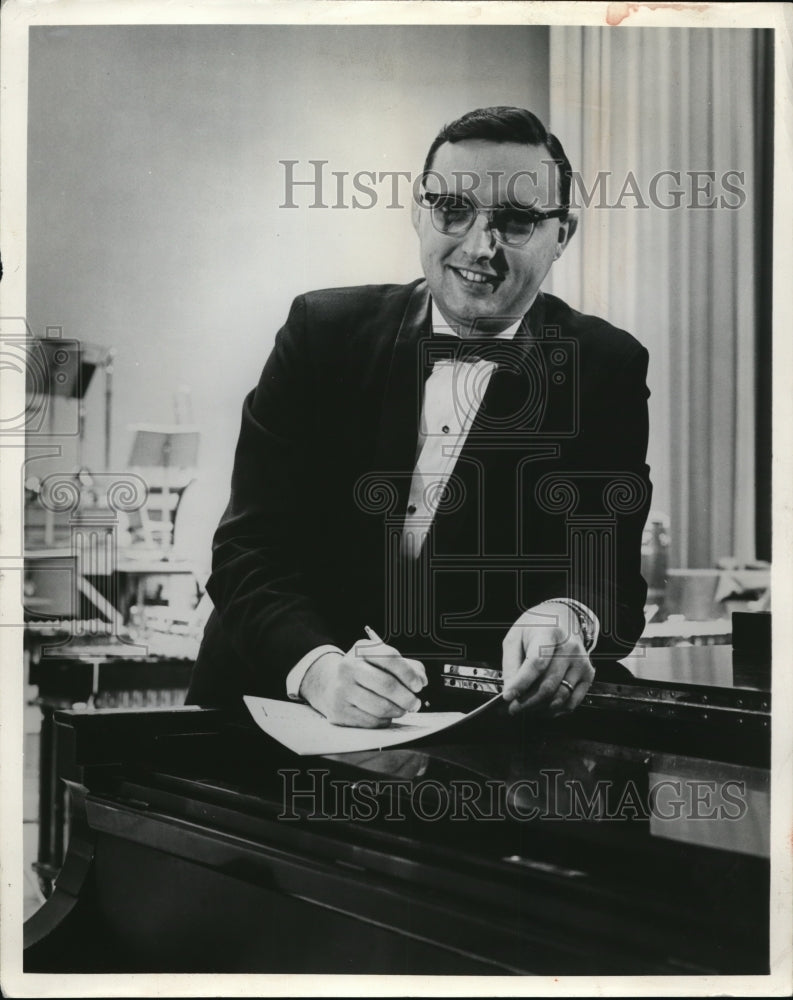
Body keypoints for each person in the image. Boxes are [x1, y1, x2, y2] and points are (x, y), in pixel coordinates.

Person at [187, 106, 652, 726]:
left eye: (515, 221)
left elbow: (609, 580)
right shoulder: (321, 334)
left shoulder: (606, 367)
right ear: (418, 210)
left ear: (563, 233)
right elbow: (248, 548)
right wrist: (319, 670)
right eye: (452, 209)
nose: (479, 247)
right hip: (270, 708)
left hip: (466, 738)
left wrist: (567, 615)